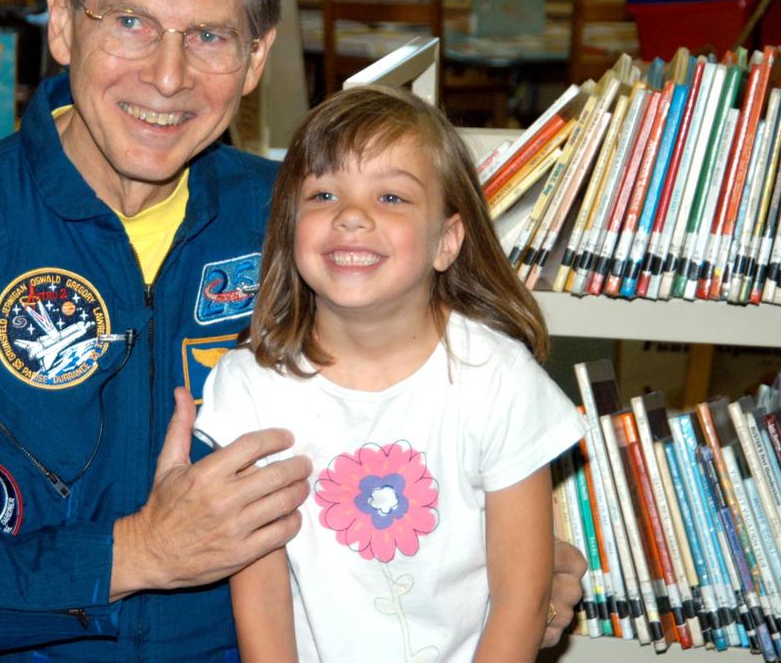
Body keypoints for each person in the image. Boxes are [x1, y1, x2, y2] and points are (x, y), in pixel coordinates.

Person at [0, 0, 586, 662]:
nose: (168, 75)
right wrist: (137, 553)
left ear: (254, 60)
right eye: (133, 22)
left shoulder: (308, 224)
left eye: (208, 35)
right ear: (64, 21)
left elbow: (454, 401)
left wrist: (517, 558)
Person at [194, 87, 586, 662]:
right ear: (290, 228)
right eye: (324, 193)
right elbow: (262, 599)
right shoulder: (248, 386)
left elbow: (521, 599)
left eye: (392, 196)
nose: (352, 215)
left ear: (446, 241)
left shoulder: (499, 380)